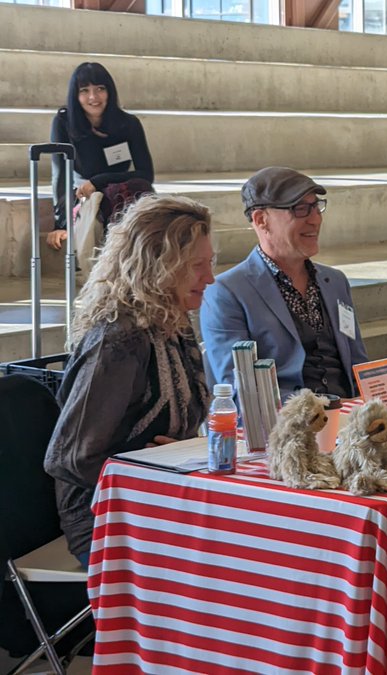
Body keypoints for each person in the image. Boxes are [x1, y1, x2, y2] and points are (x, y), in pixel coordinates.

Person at [43, 195, 214, 568]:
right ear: (161, 266)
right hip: (104, 517)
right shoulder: (118, 341)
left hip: (160, 498)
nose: (210, 278)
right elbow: (69, 458)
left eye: (210, 263)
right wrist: (152, 469)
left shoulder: (174, 323)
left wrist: (178, 457)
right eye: (198, 266)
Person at [200, 167, 368, 401]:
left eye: (316, 206)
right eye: (300, 209)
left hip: (350, 420)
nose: (315, 219)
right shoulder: (227, 293)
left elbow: (359, 365)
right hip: (286, 426)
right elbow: (240, 391)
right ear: (261, 220)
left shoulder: (335, 282)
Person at [46, 62, 155, 252]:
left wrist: (99, 181)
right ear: (75, 95)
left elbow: (146, 174)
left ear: (109, 91)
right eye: (84, 90)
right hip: (84, 194)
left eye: (100, 89)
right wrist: (60, 224)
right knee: (120, 198)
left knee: (138, 189)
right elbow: (61, 176)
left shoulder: (128, 123)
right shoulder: (64, 123)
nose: (93, 97)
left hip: (121, 190)